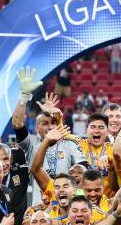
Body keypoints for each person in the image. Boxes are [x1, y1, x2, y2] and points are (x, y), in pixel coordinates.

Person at [11, 68, 87, 205]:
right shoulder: (31, 143)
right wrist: (24, 95)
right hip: (39, 208)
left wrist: (57, 114)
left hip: (66, 207)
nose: (50, 127)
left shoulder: (69, 143)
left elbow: (83, 171)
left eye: (53, 123)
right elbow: (17, 123)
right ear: (36, 128)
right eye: (44, 124)